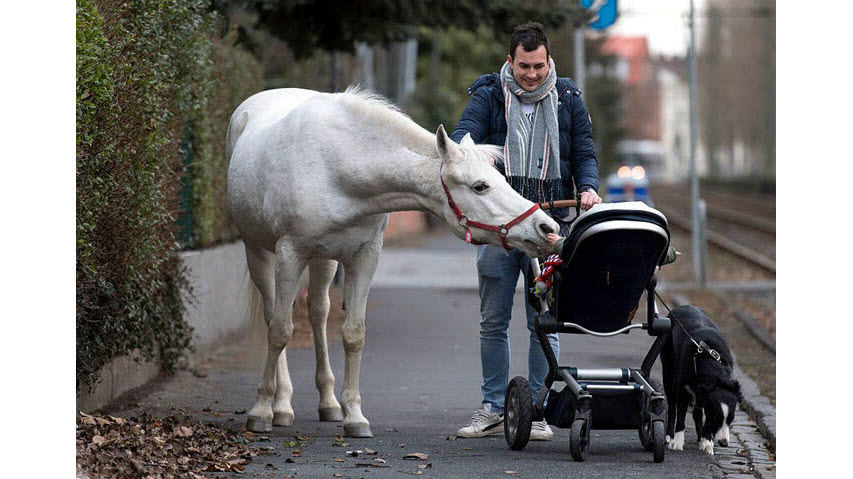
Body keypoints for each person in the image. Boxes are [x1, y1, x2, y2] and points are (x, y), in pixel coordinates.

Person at [450, 21, 602, 440]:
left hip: (549, 227)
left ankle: (536, 411)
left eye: (538, 66)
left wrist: (588, 187)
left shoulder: (568, 98)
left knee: (545, 323)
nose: (531, 74)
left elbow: (584, 153)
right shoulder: (489, 94)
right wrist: (469, 152)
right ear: (510, 61)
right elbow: (463, 137)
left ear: (549, 61)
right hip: (499, 229)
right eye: (523, 67)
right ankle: (493, 408)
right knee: (492, 321)